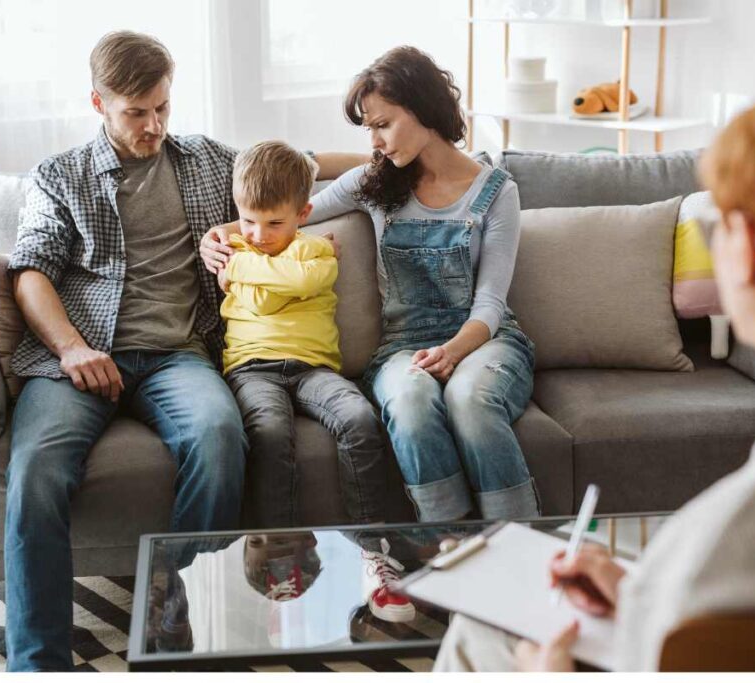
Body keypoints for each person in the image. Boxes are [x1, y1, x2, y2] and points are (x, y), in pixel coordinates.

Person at [434, 72, 755, 672]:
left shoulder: (725, 538)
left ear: (752, 253)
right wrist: (639, 597)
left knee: (479, 629)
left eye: (720, 226)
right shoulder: (723, 561)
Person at [3, 31, 362, 671]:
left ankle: (174, 619)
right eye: (135, 113)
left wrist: (383, 155)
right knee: (35, 471)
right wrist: (72, 348)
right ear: (98, 103)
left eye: (162, 108)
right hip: (83, 357)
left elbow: (294, 166)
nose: (153, 126)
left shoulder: (202, 160)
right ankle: (37, 664)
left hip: (178, 355)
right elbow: (29, 271)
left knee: (220, 436)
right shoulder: (59, 177)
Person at [202, 46, 540, 523]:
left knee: (470, 402)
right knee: (410, 402)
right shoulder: (375, 182)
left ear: (423, 109)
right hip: (403, 346)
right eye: (369, 130)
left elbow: (489, 302)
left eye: (383, 124)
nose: (376, 142)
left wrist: (454, 350)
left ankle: (516, 546)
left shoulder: (497, 192)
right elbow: (290, 209)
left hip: (482, 339)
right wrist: (217, 236)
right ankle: (447, 546)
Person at [221, 141, 389, 528]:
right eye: (248, 220)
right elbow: (264, 302)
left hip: (315, 370)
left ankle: (372, 539)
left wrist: (240, 269)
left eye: (275, 223)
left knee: (359, 418)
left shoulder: (316, 250)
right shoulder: (234, 246)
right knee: (269, 434)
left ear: (304, 214)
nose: (258, 235)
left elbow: (303, 278)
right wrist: (271, 274)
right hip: (251, 368)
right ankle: (279, 543)